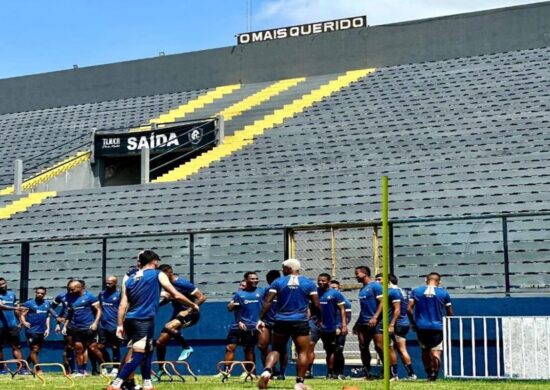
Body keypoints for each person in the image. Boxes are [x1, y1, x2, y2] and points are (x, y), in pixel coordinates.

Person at [106, 249, 199, 390]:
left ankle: (147, 384)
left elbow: (123, 304)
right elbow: (176, 295)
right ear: (154, 262)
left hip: (130, 319)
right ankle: (117, 383)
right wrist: (192, 305)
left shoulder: (129, 279)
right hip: (143, 320)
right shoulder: (157, 274)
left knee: (148, 349)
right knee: (139, 353)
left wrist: (119, 325)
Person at [257, 258, 321, 390]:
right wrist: (319, 318)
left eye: (283, 268)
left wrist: (260, 319)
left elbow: (268, 301)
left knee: (276, 349)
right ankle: (299, 383)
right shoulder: (308, 283)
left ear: (288, 269)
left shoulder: (278, 282)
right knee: (303, 351)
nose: (282, 270)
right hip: (300, 321)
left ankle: (267, 371)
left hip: (281, 320)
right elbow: (316, 304)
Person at [155, 263, 206, 378]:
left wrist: (188, 311)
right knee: (160, 342)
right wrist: (158, 305)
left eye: (161, 275)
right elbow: (169, 299)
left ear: (169, 272)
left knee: (169, 326)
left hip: (191, 314)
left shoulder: (182, 283)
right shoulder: (166, 285)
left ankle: (186, 347)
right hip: (177, 315)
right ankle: (161, 369)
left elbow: (202, 297)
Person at [407, 272, 453, 382]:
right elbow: (450, 312)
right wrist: (447, 322)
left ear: (425, 280)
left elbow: (408, 308)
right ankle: (434, 375)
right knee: (436, 352)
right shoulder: (444, 293)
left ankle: (428, 373)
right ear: (439, 282)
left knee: (424, 350)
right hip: (437, 327)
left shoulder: (416, 291)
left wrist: (413, 322)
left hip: (421, 327)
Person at [222, 271, 264, 377]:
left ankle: (250, 373)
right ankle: (226, 372)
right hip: (237, 326)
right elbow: (231, 308)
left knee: (249, 349)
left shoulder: (261, 292)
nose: (240, 286)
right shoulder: (238, 295)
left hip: (251, 327)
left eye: (256, 279)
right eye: (240, 285)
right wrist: (238, 319)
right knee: (230, 347)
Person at [64, 280, 104, 377]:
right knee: (78, 349)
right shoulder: (69, 298)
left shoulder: (89, 297)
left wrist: (95, 323)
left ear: (79, 287)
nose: (70, 291)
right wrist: (65, 325)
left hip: (88, 327)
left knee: (93, 348)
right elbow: (70, 313)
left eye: (72, 289)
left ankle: (104, 367)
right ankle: (81, 372)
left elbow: (99, 310)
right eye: (69, 289)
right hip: (76, 328)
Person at [353, 266, 383, 379]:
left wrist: (375, 317)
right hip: (363, 322)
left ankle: (388, 372)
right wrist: (357, 323)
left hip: (376, 322)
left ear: (365, 274)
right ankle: (367, 372)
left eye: (357, 273)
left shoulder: (375, 286)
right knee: (363, 346)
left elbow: (382, 302)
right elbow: (364, 308)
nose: (356, 276)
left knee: (379, 346)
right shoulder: (362, 289)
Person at [316, 273, 348, 379]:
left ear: (328, 282)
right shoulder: (315, 292)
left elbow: (342, 310)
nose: (320, 282)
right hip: (321, 327)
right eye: (319, 280)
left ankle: (336, 372)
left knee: (335, 350)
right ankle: (328, 372)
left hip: (333, 327)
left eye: (323, 280)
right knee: (326, 350)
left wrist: (342, 326)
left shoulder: (335, 294)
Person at [257, 270, 287, 380]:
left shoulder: (284, 290)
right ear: (268, 281)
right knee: (262, 345)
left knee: (281, 348)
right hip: (267, 322)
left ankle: (281, 373)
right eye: (272, 280)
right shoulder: (265, 291)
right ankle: (270, 369)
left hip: (280, 321)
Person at [21, 287, 51, 374]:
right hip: (31, 331)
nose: (40, 294)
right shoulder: (29, 303)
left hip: (41, 331)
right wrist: (24, 322)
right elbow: (22, 314)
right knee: (34, 349)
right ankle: (38, 369)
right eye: (38, 293)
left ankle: (23, 367)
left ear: (44, 294)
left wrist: (48, 328)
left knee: (36, 350)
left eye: (42, 293)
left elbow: (47, 317)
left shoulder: (47, 304)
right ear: (35, 293)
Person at [49, 279, 76, 374]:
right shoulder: (62, 296)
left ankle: (85, 369)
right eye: (70, 288)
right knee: (69, 346)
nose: (71, 290)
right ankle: (70, 369)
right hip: (67, 324)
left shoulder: (83, 297)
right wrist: (57, 319)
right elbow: (51, 307)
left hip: (80, 323)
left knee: (82, 346)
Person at [0, 277, 25, 374]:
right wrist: (15, 307)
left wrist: (20, 322)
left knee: (16, 346)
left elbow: (17, 310)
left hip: (13, 326)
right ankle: (1, 369)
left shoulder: (12, 294)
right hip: (1, 326)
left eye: (3, 283)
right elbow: (1, 306)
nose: (2, 286)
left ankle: (20, 369)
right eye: (0, 284)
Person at [98, 276, 122, 376]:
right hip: (103, 325)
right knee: (100, 346)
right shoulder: (102, 294)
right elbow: (99, 308)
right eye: (106, 283)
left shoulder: (120, 295)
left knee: (115, 347)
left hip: (114, 325)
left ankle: (116, 369)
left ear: (115, 283)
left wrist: (121, 324)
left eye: (110, 283)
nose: (107, 285)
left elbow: (123, 309)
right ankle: (108, 365)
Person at [329, 279, 352, 379]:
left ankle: (340, 372)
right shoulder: (327, 300)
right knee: (330, 351)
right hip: (329, 329)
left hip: (340, 330)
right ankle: (331, 373)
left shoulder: (344, 301)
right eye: (331, 288)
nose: (332, 290)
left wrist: (340, 327)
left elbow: (348, 317)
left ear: (339, 288)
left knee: (339, 350)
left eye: (334, 288)